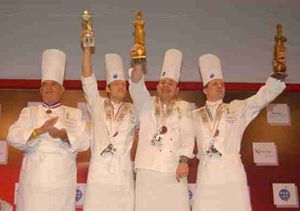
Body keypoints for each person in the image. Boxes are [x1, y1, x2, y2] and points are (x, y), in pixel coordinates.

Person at [192, 53, 287, 211]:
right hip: (207, 173)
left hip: (232, 170)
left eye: (222, 84)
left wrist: (277, 75)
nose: (220, 86)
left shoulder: (237, 108)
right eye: (215, 84)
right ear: (205, 90)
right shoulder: (194, 115)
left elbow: (261, 98)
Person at [7, 49, 90, 211]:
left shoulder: (74, 113)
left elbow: (85, 142)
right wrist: (38, 131)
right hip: (34, 175)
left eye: (54, 84)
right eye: (45, 84)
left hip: (62, 176)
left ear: (62, 90)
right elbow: (12, 136)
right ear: (40, 90)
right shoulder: (28, 112)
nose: (49, 87)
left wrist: (63, 135)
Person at [129, 44, 195, 211]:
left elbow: (187, 136)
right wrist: (137, 63)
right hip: (147, 169)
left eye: (171, 83)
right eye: (163, 82)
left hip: (173, 170)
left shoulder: (184, 107)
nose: (166, 85)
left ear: (177, 90)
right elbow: (136, 85)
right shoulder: (146, 103)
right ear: (157, 87)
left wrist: (183, 161)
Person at [81, 39, 136, 211]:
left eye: (123, 84)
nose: (121, 86)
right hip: (100, 169)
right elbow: (88, 79)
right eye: (116, 83)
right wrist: (87, 50)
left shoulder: (134, 109)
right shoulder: (98, 103)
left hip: (123, 169)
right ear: (107, 88)